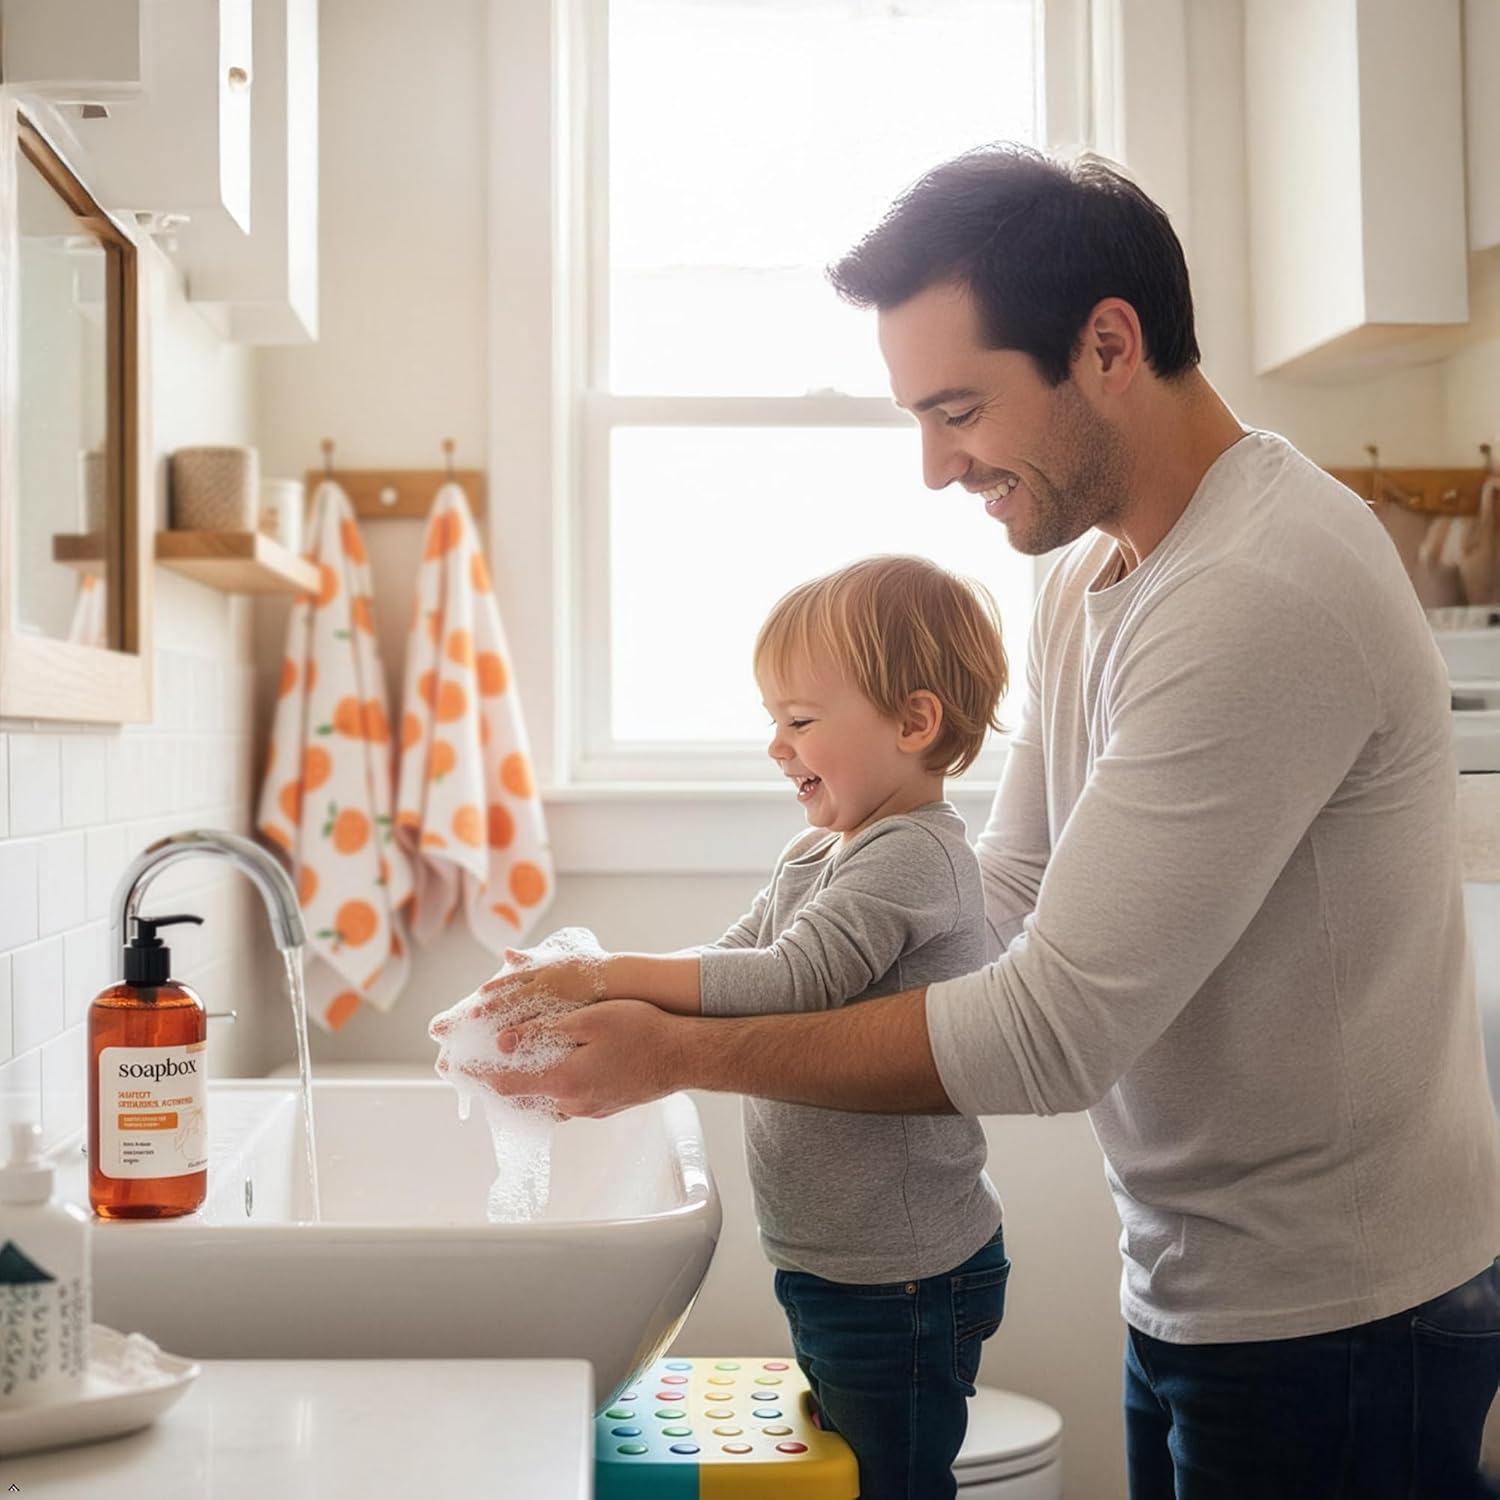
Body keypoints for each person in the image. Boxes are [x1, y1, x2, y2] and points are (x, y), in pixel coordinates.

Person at [479, 145, 1500, 1498]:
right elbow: (998, 900)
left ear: (1110, 347)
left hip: (1343, 1312)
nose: (933, 465)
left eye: (959, 408)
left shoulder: (1262, 591)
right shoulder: (1092, 581)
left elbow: (1052, 1031)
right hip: (1204, 1277)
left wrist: (673, 1052)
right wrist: (659, 984)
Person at [471, 554, 1011, 1500]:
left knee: (892, 1483)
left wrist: (603, 975)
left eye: (800, 721)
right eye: (772, 719)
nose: (776, 744)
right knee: (855, 1470)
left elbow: (792, 979)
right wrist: (592, 1008)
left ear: (914, 723)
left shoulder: (916, 858)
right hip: (837, 1261)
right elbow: (728, 962)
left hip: (907, 1279)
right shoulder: (817, 853)